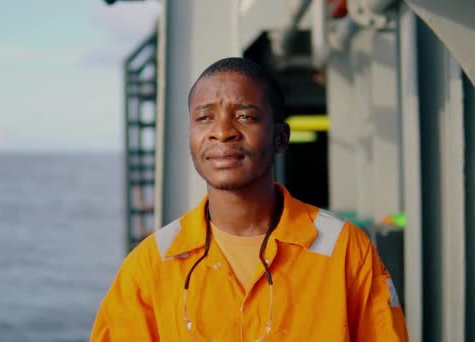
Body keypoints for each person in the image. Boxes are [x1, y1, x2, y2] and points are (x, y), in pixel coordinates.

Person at [91, 57, 408, 341]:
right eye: (205, 118)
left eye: (244, 116)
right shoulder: (151, 264)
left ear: (280, 138)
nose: (222, 132)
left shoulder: (345, 251)